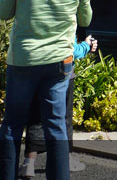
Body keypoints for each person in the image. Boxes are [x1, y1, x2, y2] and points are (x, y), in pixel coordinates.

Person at [0, 0, 92, 180]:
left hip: (23, 61)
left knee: (12, 124)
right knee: (56, 126)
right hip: (60, 64)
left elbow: (4, 13)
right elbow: (85, 19)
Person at [19, 35, 98, 178]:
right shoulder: (66, 14)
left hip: (35, 68)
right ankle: (66, 161)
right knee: (64, 118)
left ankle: (28, 164)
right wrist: (86, 45)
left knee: (36, 116)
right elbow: (72, 50)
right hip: (63, 72)